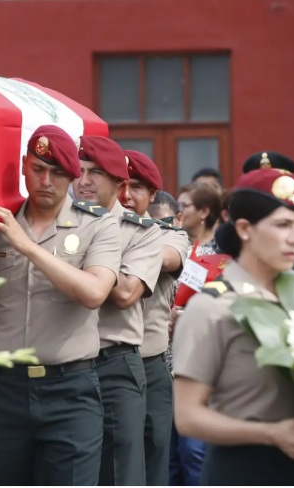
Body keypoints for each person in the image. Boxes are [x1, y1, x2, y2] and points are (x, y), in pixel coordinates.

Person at [0, 125, 121, 485]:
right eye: (37, 168)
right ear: (23, 166)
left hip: (70, 388)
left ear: (73, 176)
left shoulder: (97, 225)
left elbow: (93, 293)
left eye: (57, 173)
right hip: (1, 389)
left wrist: (26, 245)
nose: (45, 180)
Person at [173, 168, 294, 485]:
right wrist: (271, 434)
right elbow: (189, 417)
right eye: (282, 225)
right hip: (242, 469)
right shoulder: (211, 307)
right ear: (245, 228)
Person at [73, 138, 162, 485]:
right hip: (64, 367)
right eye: (79, 171)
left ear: (119, 185)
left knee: (119, 471)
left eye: (95, 172)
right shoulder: (56, 225)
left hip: (113, 362)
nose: (84, 181)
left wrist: (77, 265)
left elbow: (126, 293)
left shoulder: (141, 231)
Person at [121, 150, 192, 485]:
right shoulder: (88, 229)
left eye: (136, 187)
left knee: (154, 460)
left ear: (151, 195)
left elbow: (167, 258)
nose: (125, 194)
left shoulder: (169, 234)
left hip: (150, 366)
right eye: (119, 184)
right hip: (105, 364)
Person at [177, 184, 220, 256]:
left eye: (184, 205)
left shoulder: (220, 246)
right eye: (177, 205)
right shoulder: (175, 243)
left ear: (204, 212)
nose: (178, 211)